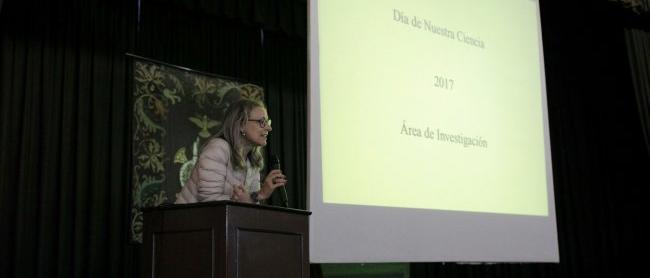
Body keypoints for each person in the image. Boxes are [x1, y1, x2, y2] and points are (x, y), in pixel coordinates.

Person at [175, 98, 287, 204]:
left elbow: (249, 206)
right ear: (241, 125)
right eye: (262, 122)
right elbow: (209, 202)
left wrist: (260, 194)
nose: (269, 128)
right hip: (187, 221)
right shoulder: (217, 148)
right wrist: (251, 198)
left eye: (268, 122)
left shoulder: (253, 160)